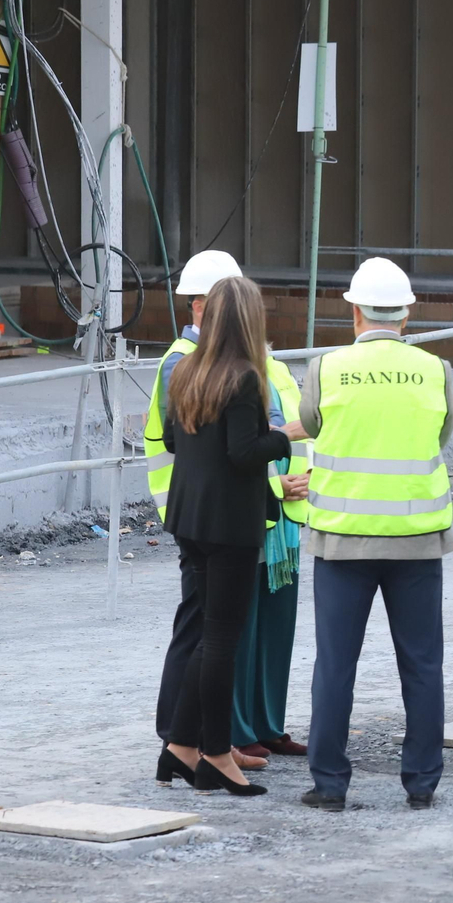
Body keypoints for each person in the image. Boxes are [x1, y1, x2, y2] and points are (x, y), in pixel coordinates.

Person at [293, 257, 453, 813]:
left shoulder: (326, 367)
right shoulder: (437, 370)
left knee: (335, 665)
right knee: (422, 662)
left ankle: (329, 784)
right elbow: (441, 436)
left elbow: (313, 425)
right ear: (408, 312)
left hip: (344, 541)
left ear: (355, 311)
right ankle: (421, 782)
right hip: (416, 540)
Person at [156, 276, 292, 797]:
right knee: (220, 641)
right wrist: (285, 437)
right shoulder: (245, 378)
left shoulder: (187, 369)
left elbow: (172, 437)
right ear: (250, 321)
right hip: (229, 524)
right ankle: (214, 754)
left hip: (189, 518)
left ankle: (181, 747)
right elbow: (243, 451)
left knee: (202, 636)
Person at [229, 355, 312, 762]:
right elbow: (229, 449)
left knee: (275, 630)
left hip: (284, 522)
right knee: (241, 631)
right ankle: (237, 730)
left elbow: (296, 430)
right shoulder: (197, 364)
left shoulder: (275, 368)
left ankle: (268, 725)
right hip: (245, 514)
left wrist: (301, 480)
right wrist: (274, 484)